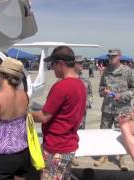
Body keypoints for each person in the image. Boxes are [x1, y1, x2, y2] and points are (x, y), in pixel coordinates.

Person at [31, 46, 86, 180]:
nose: (52, 68)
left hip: (56, 147)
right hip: (68, 144)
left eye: (53, 64)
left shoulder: (61, 86)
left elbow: (44, 116)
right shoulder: (80, 85)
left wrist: (24, 114)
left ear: (61, 64)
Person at [94, 48, 134, 171]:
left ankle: (121, 158)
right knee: (104, 132)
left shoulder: (127, 71)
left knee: (122, 134)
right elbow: (101, 89)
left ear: (119, 56)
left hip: (122, 109)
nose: (111, 58)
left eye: (114, 56)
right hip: (107, 108)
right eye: (110, 56)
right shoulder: (106, 71)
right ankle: (104, 155)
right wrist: (105, 92)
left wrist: (122, 95)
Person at [71, 56, 93, 166]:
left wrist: (88, 102)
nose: (81, 65)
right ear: (73, 64)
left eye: (82, 63)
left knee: (81, 132)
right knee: (71, 132)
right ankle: (71, 155)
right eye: (79, 63)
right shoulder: (68, 77)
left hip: (82, 112)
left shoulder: (85, 77)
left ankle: (77, 152)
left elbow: (90, 93)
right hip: (71, 113)